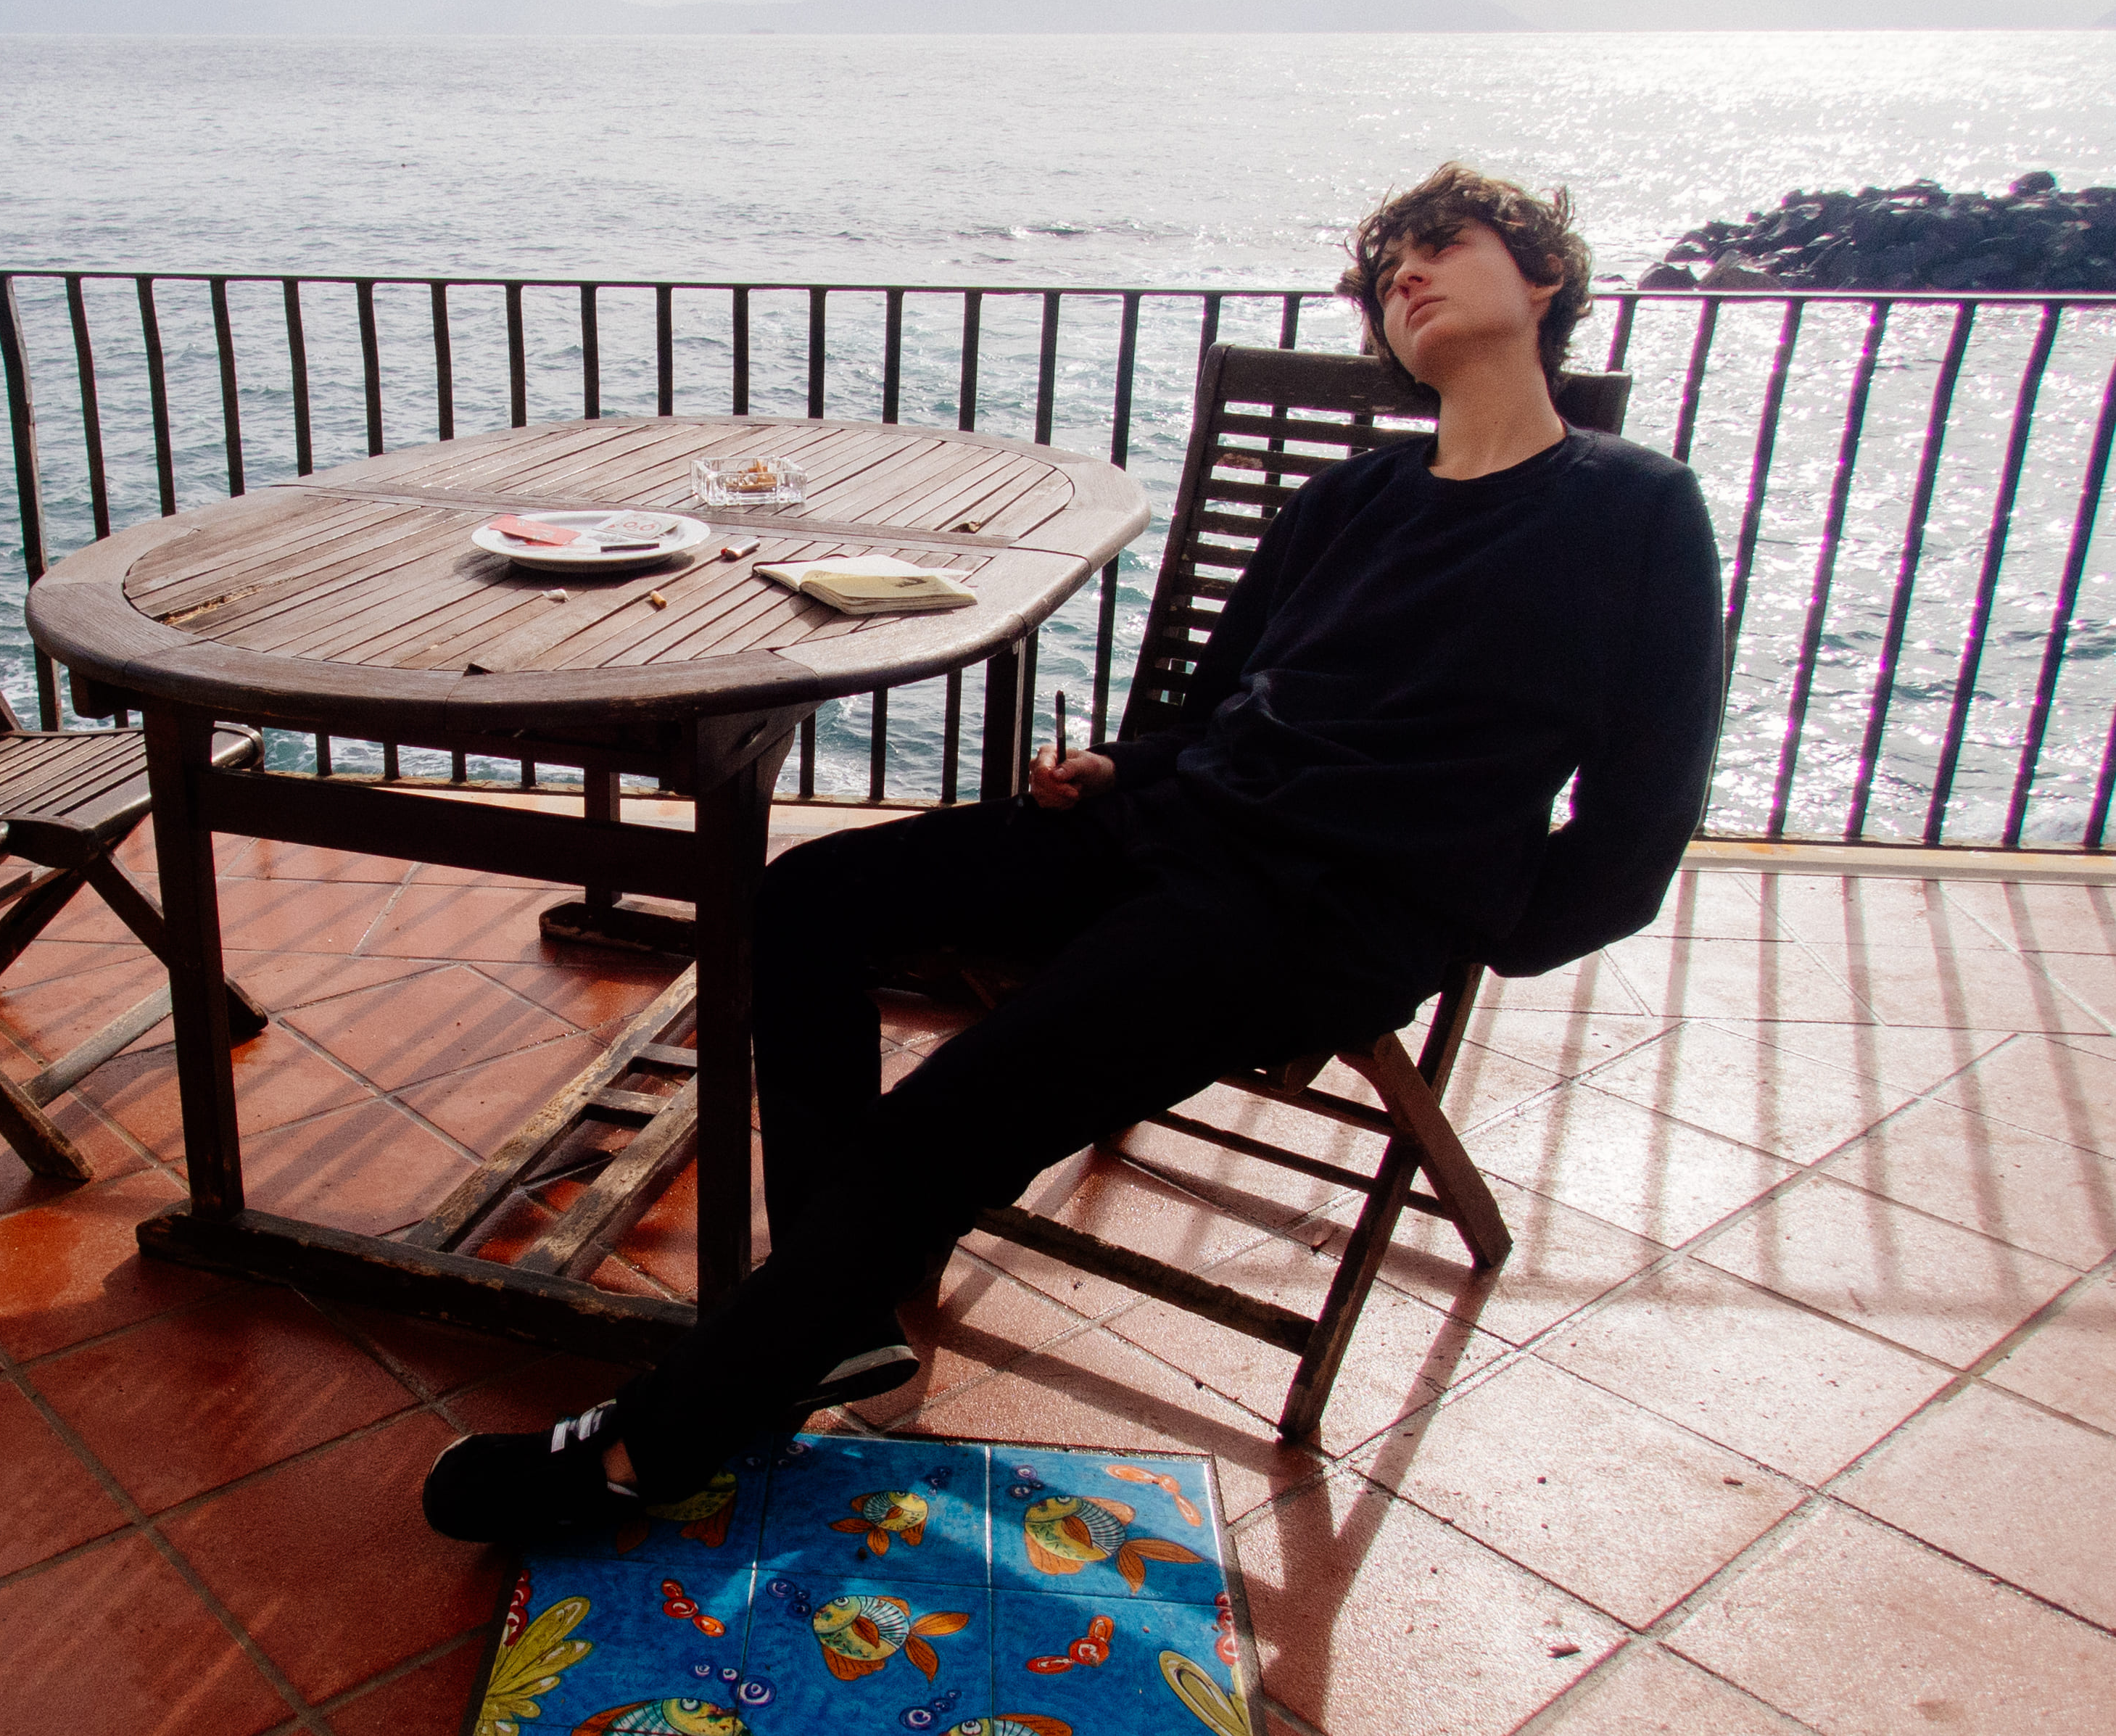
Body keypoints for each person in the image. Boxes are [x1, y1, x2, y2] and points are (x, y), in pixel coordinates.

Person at [421, 162, 1725, 1541]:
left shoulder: (1631, 508)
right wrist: (1121, 766)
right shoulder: (1348, 503)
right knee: (806, 896)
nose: (1406, 273)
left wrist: (1467, 909)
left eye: (1443, 243)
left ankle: (653, 1445)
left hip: (1312, 906)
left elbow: (1639, 825)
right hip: (1167, 823)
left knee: (948, 1118)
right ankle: (836, 1312)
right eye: (1385, 266)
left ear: (1544, 276)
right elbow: (1213, 714)